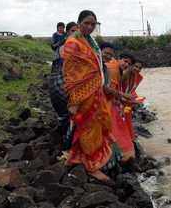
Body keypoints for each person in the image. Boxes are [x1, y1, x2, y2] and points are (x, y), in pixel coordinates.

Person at [61, 10, 120, 181]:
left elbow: (97, 67)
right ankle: (92, 166)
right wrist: (74, 99)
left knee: (97, 124)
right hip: (82, 94)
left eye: (93, 24)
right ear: (79, 23)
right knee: (87, 128)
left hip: (96, 92)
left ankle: (78, 157)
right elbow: (70, 73)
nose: (90, 26)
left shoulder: (91, 41)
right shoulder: (73, 43)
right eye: (86, 23)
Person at [102, 45, 136, 162]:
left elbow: (113, 89)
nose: (126, 64)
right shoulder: (113, 68)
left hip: (110, 102)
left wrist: (121, 99)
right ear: (119, 58)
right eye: (125, 61)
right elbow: (105, 89)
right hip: (104, 104)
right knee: (116, 130)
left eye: (128, 64)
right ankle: (118, 156)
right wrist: (123, 96)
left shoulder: (117, 69)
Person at [49, 22, 78, 152]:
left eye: (78, 31)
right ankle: (68, 149)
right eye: (73, 31)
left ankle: (63, 146)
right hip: (62, 86)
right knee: (70, 116)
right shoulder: (67, 47)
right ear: (67, 32)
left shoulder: (64, 46)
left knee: (64, 118)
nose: (76, 34)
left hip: (56, 86)